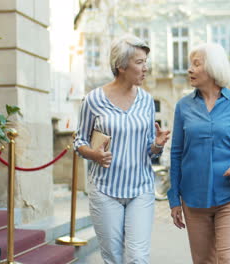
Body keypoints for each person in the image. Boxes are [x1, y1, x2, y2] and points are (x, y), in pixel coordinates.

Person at [74, 34, 170, 264]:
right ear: (121, 65)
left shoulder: (147, 101)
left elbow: (150, 151)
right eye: (139, 62)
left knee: (138, 257)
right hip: (105, 190)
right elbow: (79, 141)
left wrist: (156, 145)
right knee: (114, 258)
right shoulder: (93, 100)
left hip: (140, 189)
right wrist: (94, 154)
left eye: (146, 61)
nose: (145, 68)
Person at [167, 43, 230, 263]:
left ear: (213, 68)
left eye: (196, 64)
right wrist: (174, 199)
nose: (189, 69)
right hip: (193, 199)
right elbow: (176, 153)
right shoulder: (183, 107)